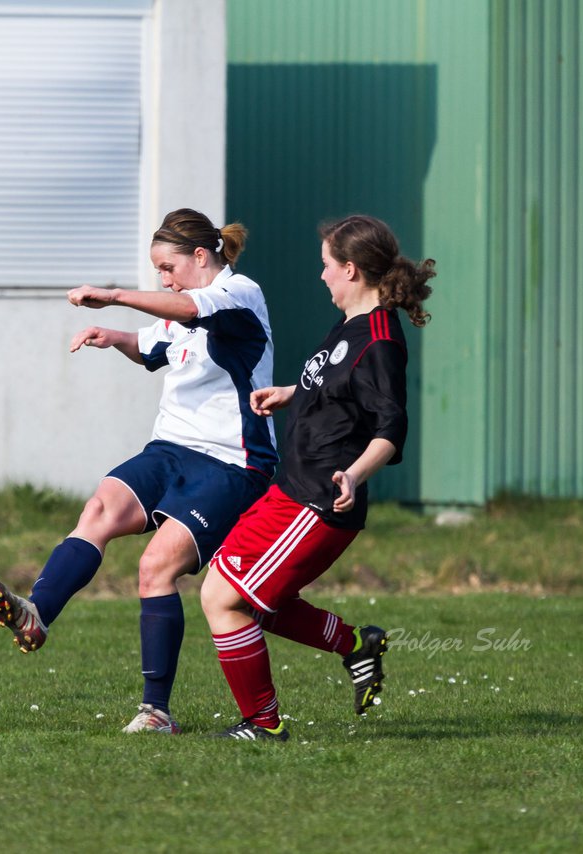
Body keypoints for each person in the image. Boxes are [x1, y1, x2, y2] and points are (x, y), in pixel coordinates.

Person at [0, 208, 277, 734]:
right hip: (169, 448)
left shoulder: (238, 295)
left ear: (201, 257)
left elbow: (189, 308)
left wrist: (114, 294)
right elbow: (151, 347)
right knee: (99, 508)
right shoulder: (181, 308)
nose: (162, 279)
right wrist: (112, 335)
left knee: (155, 567)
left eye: (168, 267)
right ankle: (37, 613)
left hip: (233, 462)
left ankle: (156, 712)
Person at [199, 214, 435, 740]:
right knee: (255, 600)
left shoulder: (379, 342)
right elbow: (335, 386)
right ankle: (357, 645)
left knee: (223, 598)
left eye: (326, 266)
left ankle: (263, 725)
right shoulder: (350, 326)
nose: (320, 275)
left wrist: (352, 475)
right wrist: (291, 393)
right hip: (292, 489)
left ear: (350, 270)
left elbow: (390, 429)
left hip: (318, 502)